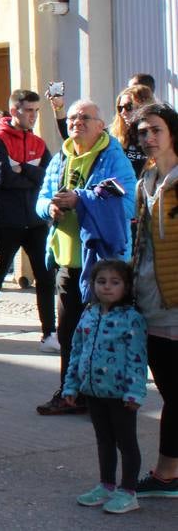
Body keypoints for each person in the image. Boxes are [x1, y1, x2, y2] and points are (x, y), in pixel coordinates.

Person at [35, 99, 136, 416]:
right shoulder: (60, 158)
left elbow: (128, 204)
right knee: (68, 333)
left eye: (85, 117)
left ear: (100, 124)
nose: (76, 122)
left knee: (107, 333)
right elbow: (39, 199)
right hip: (67, 260)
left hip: (105, 264)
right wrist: (49, 209)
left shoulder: (113, 158)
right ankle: (70, 393)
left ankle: (107, 395)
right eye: (73, 117)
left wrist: (81, 199)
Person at [0, 90, 56, 353]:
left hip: (36, 221)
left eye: (36, 110)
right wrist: (28, 174)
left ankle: (49, 334)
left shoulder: (39, 143)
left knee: (45, 277)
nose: (33, 115)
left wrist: (23, 167)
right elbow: (1, 176)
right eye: (28, 110)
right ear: (14, 111)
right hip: (5, 221)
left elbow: (49, 176)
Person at [63, 259, 148, 515]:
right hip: (93, 392)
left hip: (121, 395)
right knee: (104, 441)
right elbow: (77, 351)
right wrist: (70, 386)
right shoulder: (88, 314)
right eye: (101, 282)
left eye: (115, 282)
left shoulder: (132, 319)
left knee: (126, 443)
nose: (107, 288)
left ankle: (129, 491)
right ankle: (107, 485)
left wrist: (135, 392)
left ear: (127, 287)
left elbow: (138, 359)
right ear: (92, 284)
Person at [131, 103, 178, 498]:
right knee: (169, 390)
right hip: (151, 299)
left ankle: (166, 473)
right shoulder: (145, 178)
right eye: (143, 132)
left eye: (156, 130)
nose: (148, 138)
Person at [111, 83, 156, 179]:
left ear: (144, 106)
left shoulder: (158, 134)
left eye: (128, 107)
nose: (123, 112)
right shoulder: (114, 135)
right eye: (120, 108)